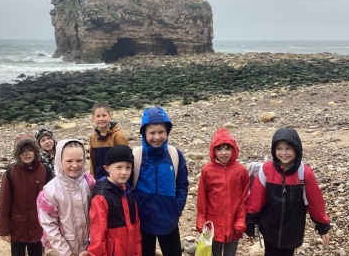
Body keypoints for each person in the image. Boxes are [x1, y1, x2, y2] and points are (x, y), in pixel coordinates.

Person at [246, 128, 331, 256]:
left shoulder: (304, 173)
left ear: (296, 149)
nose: (283, 153)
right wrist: (250, 223)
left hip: (292, 229)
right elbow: (256, 198)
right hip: (270, 227)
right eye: (279, 148)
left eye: (288, 148)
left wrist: (323, 226)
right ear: (274, 150)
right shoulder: (267, 170)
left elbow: (315, 202)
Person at [133, 107, 189, 256]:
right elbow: (126, 185)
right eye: (152, 133)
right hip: (143, 220)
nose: (157, 137)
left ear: (167, 132)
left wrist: (177, 209)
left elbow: (183, 184)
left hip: (169, 219)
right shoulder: (136, 156)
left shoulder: (175, 155)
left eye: (161, 132)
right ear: (144, 133)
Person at [36, 139, 95, 256]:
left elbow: (97, 216)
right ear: (59, 161)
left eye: (79, 160)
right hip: (65, 248)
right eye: (69, 161)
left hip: (91, 247)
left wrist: (92, 245)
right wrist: (67, 253)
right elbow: (49, 226)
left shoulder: (90, 183)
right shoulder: (49, 193)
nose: (75, 165)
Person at [196, 128, 249, 256]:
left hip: (233, 221)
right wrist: (201, 218)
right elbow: (202, 198)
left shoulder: (240, 171)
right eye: (219, 149)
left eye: (228, 149)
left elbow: (244, 199)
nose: (224, 153)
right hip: (213, 223)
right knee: (214, 252)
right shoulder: (207, 170)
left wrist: (241, 219)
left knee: (230, 253)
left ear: (234, 150)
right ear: (213, 150)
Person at [0, 134, 49, 256]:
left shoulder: (45, 170)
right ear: (18, 154)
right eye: (22, 151)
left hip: (38, 226)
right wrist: (4, 230)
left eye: (30, 150)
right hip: (17, 228)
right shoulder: (10, 174)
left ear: (35, 151)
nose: (26, 154)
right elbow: (4, 204)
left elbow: (52, 200)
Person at [87, 145, 142, 256]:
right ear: (107, 168)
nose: (124, 172)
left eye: (128, 167)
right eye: (119, 167)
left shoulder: (128, 193)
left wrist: (137, 253)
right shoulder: (101, 197)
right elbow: (98, 235)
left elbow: (136, 228)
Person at [89, 102, 129, 180]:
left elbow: (126, 160)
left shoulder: (118, 136)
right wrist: (92, 177)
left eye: (104, 115)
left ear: (109, 116)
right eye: (98, 116)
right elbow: (92, 161)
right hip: (99, 178)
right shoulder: (93, 137)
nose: (101, 119)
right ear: (93, 118)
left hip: (115, 178)